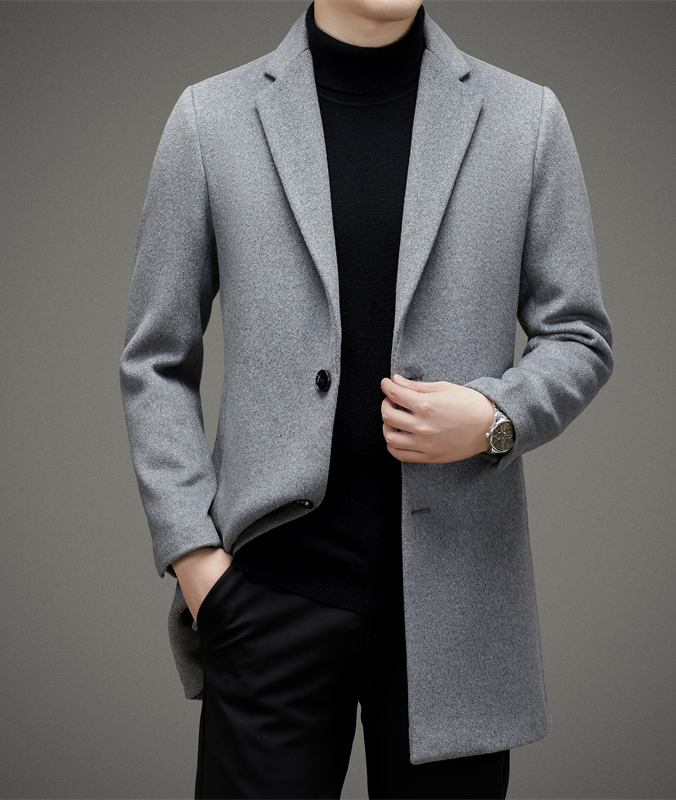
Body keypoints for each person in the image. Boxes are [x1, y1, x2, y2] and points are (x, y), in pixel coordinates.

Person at [120, 1, 613, 797]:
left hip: (459, 614)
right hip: (268, 596)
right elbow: (155, 360)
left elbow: (580, 335)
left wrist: (495, 419)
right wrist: (197, 562)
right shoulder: (211, 120)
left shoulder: (526, 119)